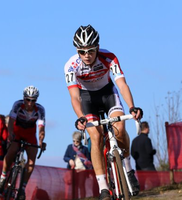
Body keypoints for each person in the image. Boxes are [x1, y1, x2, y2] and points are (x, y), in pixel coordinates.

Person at [64, 24, 143, 200]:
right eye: (81, 51)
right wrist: (80, 117)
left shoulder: (109, 57)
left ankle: (128, 169)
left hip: (108, 93)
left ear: (97, 47)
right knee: (96, 137)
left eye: (90, 51)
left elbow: (122, 84)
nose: (86, 55)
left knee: (120, 129)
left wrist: (132, 107)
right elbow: (75, 97)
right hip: (87, 99)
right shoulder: (70, 66)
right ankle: (103, 188)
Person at [0, 85, 46, 200]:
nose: (30, 103)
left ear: (36, 100)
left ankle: (22, 187)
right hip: (17, 131)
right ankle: (3, 176)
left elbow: (41, 127)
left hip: (30, 134)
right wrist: (10, 135)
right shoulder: (17, 105)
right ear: (24, 98)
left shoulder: (40, 109)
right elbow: (11, 121)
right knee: (12, 151)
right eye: (27, 99)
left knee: (32, 161)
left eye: (33, 100)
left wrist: (41, 140)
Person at [63, 131, 92, 199]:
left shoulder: (85, 149)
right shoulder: (70, 147)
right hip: (73, 170)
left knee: (81, 185)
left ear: (80, 141)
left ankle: (82, 198)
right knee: (74, 186)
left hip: (83, 169)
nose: (75, 143)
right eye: (74, 141)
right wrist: (69, 160)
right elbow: (65, 157)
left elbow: (89, 160)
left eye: (77, 141)